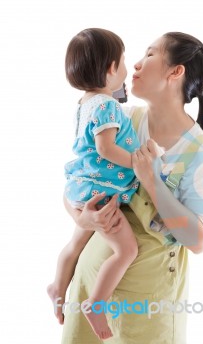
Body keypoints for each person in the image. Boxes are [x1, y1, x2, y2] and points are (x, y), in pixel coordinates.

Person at [60, 32, 203, 344]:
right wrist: (81, 218)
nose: (135, 63)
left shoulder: (202, 154)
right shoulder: (122, 119)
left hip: (145, 306)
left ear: (176, 71)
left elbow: (199, 242)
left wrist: (150, 179)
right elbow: (77, 182)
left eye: (149, 54)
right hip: (90, 287)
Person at [47, 28, 159, 340]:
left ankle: (57, 285)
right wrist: (139, 162)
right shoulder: (107, 105)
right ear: (111, 69)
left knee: (74, 245)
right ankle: (96, 303)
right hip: (101, 194)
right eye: (123, 61)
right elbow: (106, 149)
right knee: (126, 250)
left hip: (83, 188)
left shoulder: (84, 103)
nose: (129, 67)